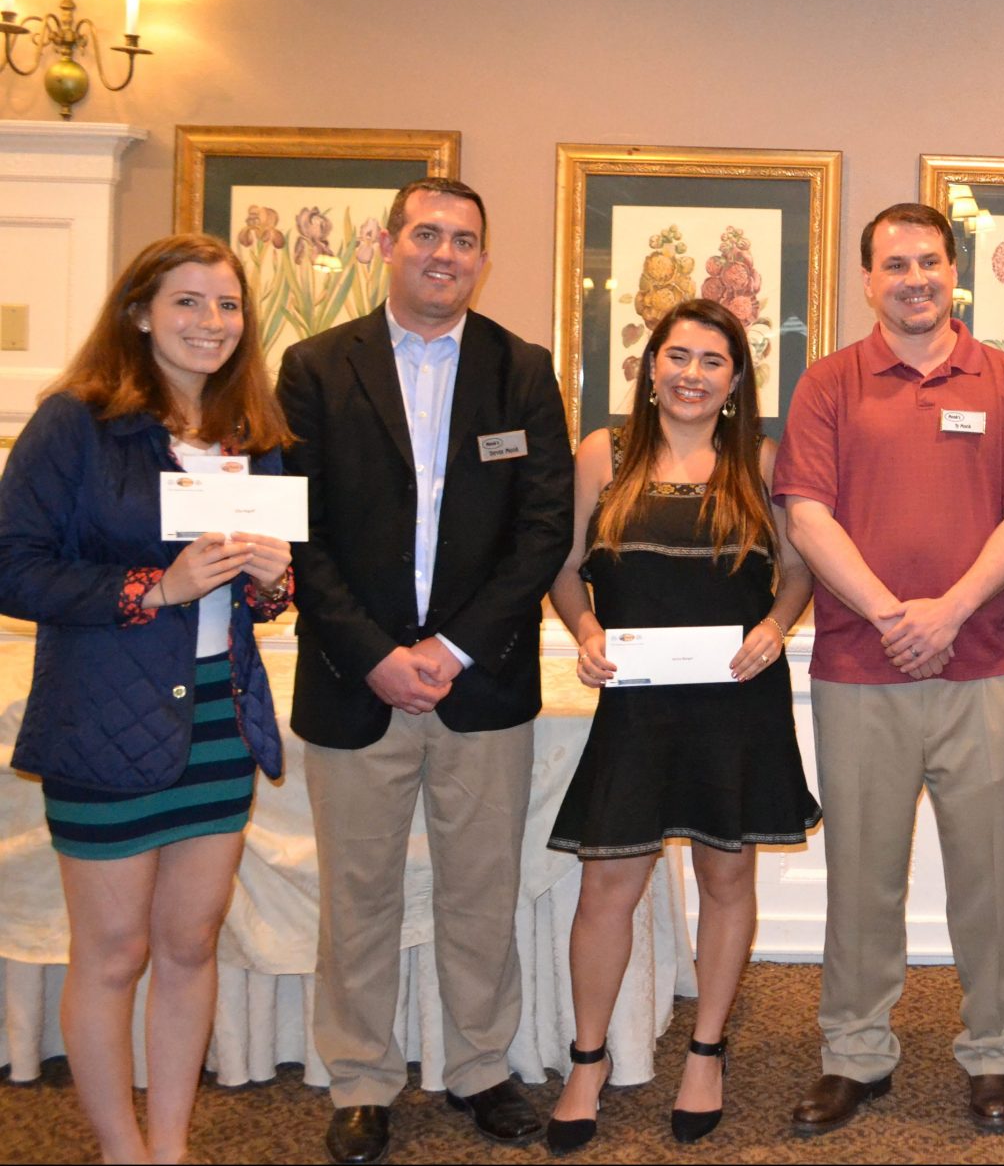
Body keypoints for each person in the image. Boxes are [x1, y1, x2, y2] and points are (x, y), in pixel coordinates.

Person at [276, 177, 574, 1166]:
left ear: (484, 259)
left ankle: (480, 1068)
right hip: (351, 680)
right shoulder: (315, 367)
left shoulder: (521, 369)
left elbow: (540, 530)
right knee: (356, 895)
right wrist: (376, 655)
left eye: (465, 240)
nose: (446, 253)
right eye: (428, 234)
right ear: (388, 245)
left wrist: (446, 650)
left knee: (480, 894)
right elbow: (298, 530)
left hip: (479, 682)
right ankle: (361, 1079)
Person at [0, 233, 294, 1164]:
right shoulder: (73, 423)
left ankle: (169, 1150)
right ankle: (123, 1155)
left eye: (228, 305)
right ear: (139, 311)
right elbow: (13, 568)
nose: (213, 323)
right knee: (114, 952)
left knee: (191, 945)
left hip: (220, 715)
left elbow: (270, 593)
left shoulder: (254, 434)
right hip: (103, 719)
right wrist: (153, 588)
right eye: (188, 302)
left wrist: (273, 580)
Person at [772, 202, 1004, 1137]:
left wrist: (947, 612)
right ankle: (855, 1053)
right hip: (860, 671)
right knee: (863, 876)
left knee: (987, 874)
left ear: (953, 271)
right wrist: (895, 616)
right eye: (894, 264)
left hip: (980, 667)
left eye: (929, 261)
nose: (914, 279)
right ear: (868, 281)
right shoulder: (828, 383)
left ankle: (994, 1052)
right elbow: (808, 515)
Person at [542, 298, 820, 1152]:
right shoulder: (604, 453)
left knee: (726, 881)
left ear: (736, 381)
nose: (692, 374)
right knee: (606, 888)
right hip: (636, 704)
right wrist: (583, 631)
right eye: (677, 356)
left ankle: (707, 1048)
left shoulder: (763, 461)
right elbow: (562, 569)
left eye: (712, 361)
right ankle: (587, 1060)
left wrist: (776, 627)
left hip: (735, 702)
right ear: (650, 365)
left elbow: (799, 571)